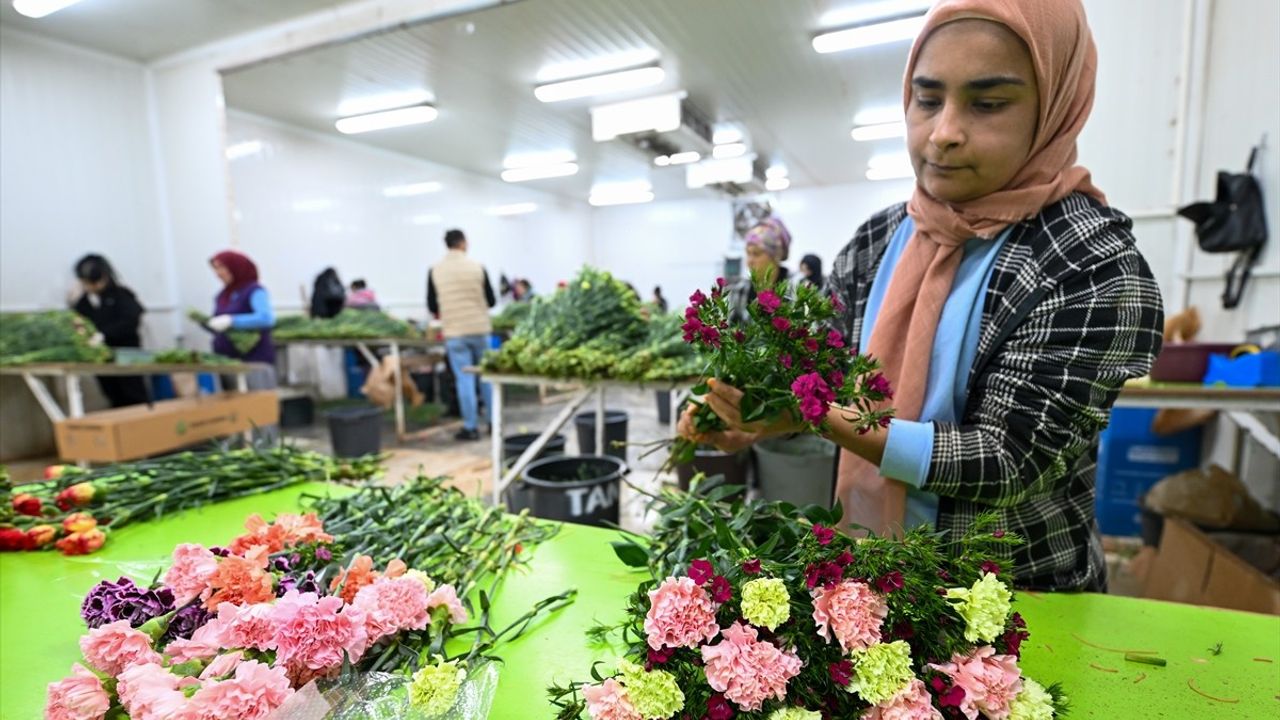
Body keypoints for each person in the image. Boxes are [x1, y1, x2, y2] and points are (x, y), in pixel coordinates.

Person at [679, 0, 1163, 592]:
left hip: (1019, 597)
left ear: (1055, 107)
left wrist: (817, 414)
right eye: (928, 99)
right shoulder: (877, 242)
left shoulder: (1089, 263)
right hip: (866, 584)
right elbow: (826, 387)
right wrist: (759, 421)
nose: (944, 133)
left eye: (988, 103)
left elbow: (1007, 459)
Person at [428, 229, 497, 441]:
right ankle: (494, 423)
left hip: (455, 332)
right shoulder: (478, 267)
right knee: (487, 376)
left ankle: (471, 427)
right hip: (479, 329)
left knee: (464, 379)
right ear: (463, 243)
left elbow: (432, 304)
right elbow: (492, 300)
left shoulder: (435, 270)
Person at [70, 254, 149, 407]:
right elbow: (78, 322)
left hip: (128, 354)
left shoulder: (122, 295)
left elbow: (131, 320)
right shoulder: (84, 302)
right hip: (102, 357)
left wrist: (104, 334)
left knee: (134, 394)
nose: (92, 287)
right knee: (113, 394)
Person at [206, 250, 277, 382]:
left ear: (235, 267)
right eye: (215, 269)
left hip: (254, 361)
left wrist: (232, 321)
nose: (218, 273)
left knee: (257, 401)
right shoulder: (222, 295)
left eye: (222, 268)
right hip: (227, 362)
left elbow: (266, 318)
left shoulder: (254, 290)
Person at [725, 216, 792, 324]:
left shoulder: (795, 288)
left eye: (756, 254)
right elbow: (730, 331)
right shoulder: (740, 291)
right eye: (748, 253)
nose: (749, 261)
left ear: (775, 256)